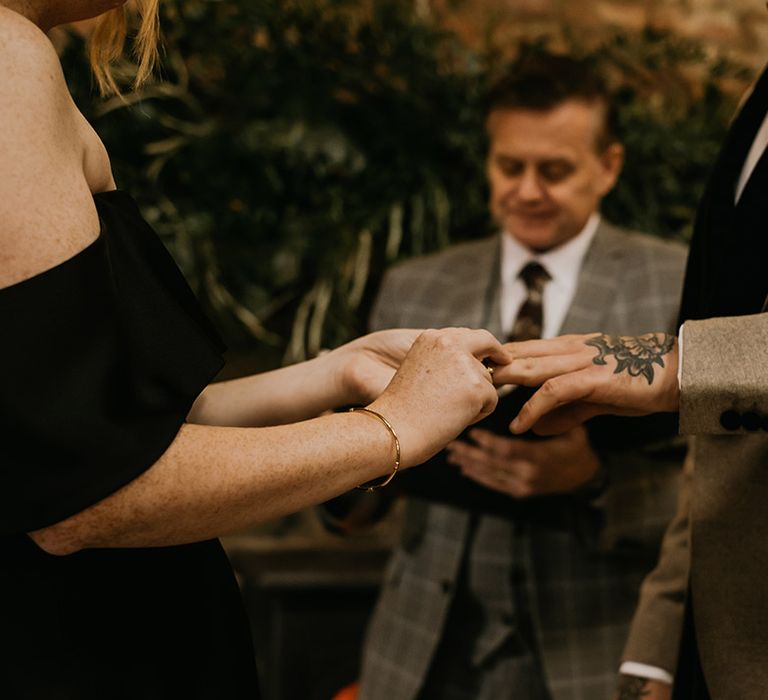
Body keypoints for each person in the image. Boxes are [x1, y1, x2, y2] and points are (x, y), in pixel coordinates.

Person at [0, 2, 511, 698]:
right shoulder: (5, 56)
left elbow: (104, 423)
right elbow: (83, 490)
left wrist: (333, 372)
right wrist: (391, 429)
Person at [323, 54, 687, 700]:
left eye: (555, 171)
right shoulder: (416, 285)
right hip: (423, 655)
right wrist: (351, 466)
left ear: (608, 167)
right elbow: (362, 494)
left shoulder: (676, 282)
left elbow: (722, 494)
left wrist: (593, 482)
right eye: (508, 167)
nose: (526, 190)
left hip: (594, 653)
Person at [496, 40, 768, 700]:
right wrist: (662, 641)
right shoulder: (758, 103)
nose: (528, 190)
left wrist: (681, 365)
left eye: (555, 168)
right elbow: (727, 441)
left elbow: (709, 373)